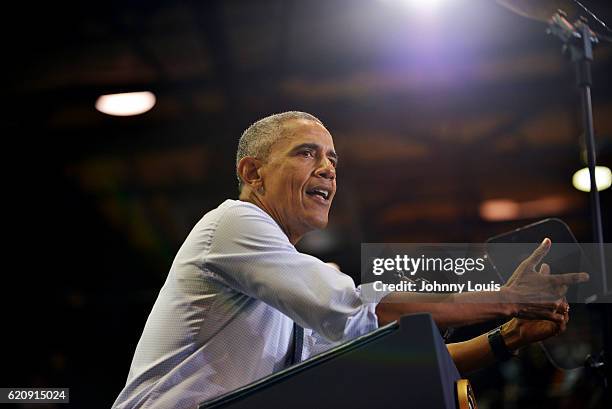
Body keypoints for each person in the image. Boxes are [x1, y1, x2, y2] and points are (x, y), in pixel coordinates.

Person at [112, 111, 587, 409]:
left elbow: (389, 362)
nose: (328, 169)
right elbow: (366, 308)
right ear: (252, 172)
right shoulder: (234, 223)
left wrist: (508, 339)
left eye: (333, 160)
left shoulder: (283, 280)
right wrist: (505, 300)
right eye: (306, 153)